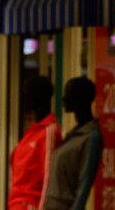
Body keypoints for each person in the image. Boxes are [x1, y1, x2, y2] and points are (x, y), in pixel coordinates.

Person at [42, 77, 103, 210]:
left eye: (68, 94)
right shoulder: (74, 135)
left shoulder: (91, 137)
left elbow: (84, 186)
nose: (64, 99)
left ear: (80, 98)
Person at [9, 75, 62, 210]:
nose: (23, 99)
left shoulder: (49, 131)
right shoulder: (32, 131)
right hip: (16, 204)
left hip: (32, 204)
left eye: (26, 94)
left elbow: (48, 177)